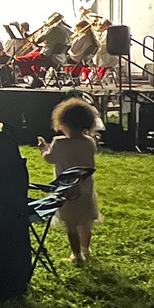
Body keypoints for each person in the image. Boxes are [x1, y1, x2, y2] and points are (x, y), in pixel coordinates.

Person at [37, 97, 102, 265]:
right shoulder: (90, 142)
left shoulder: (59, 143)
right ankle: (86, 249)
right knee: (86, 221)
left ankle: (76, 254)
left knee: (71, 224)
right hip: (85, 187)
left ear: (63, 123)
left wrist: (44, 148)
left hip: (67, 190)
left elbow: (50, 159)